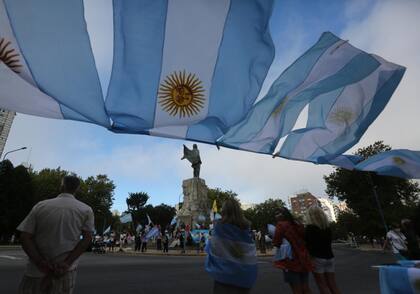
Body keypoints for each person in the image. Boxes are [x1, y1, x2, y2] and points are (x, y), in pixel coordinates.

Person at [17, 175, 94, 294]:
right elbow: (87, 238)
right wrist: (66, 264)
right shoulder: (86, 210)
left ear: (61, 186)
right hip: (64, 273)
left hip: (36, 271)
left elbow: (25, 237)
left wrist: (40, 262)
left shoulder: (41, 206)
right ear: (77, 189)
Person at [205, 198, 257, 293]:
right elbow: (250, 251)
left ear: (224, 211)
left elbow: (211, 248)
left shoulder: (219, 227)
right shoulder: (246, 228)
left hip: (224, 277)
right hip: (244, 277)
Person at [273, 207, 313, 294]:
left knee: (296, 289)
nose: (276, 216)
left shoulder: (280, 225)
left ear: (283, 214)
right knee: (305, 287)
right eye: (275, 214)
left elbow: (276, 242)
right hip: (303, 257)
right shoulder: (297, 223)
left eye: (278, 213)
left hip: (290, 260)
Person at [305, 205, 341, 294]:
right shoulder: (327, 228)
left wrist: (310, 258)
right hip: (330, 257)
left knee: (322, 285)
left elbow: (309, 245)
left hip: (317, 258)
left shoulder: (310, 228)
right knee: (333, 284)